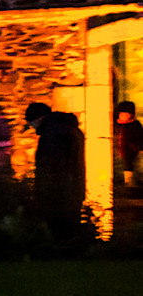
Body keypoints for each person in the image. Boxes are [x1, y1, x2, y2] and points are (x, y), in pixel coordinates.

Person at [25, 103, 88, 244]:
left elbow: (52, 165)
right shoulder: (70, 130)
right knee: (70, 230)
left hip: (59, 194)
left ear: (39, 118)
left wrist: (44, 192)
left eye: (31, 122)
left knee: (60, 232)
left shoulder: (53, 134)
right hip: (72, 190)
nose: (32, 126)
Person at [115, 100, 141, 189]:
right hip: (118, 149)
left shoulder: (135, 125)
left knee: (129, 165)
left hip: (129, 150)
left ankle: (129, 182)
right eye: (120, 114)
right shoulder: (116, 125)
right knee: (120, 165)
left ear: (130, 115)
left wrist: (138, 147)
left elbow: (139, 137)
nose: (122, 116)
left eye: (124, 114)